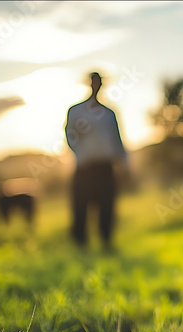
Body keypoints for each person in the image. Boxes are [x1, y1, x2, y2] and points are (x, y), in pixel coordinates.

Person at [65, 72, 129, 247]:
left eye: (99, 82)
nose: (96, 85)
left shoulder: (109, 114)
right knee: (81, 208)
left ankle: (106, 242)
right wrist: (81, 156)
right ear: (89, 84)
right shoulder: (76, 111)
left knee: (107, 207)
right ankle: (81, 244)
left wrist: (124, 164)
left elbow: (117, 139)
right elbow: (70, 137)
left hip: (105, 168)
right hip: (85, 167)